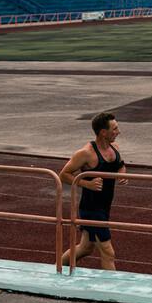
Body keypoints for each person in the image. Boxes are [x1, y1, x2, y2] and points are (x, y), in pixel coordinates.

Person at [60, 112, 128, 270]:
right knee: (108, 252)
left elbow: (120, 165)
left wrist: (122, 175)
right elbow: (63, 175)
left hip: (105, 207)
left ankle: (57, 268)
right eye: (115, 129)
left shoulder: (114, 148)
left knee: (85, 248)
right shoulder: (86, 153)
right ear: (103, 132)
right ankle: (110, 286)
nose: (118, 132)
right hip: (91, 209)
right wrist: (87, 184)